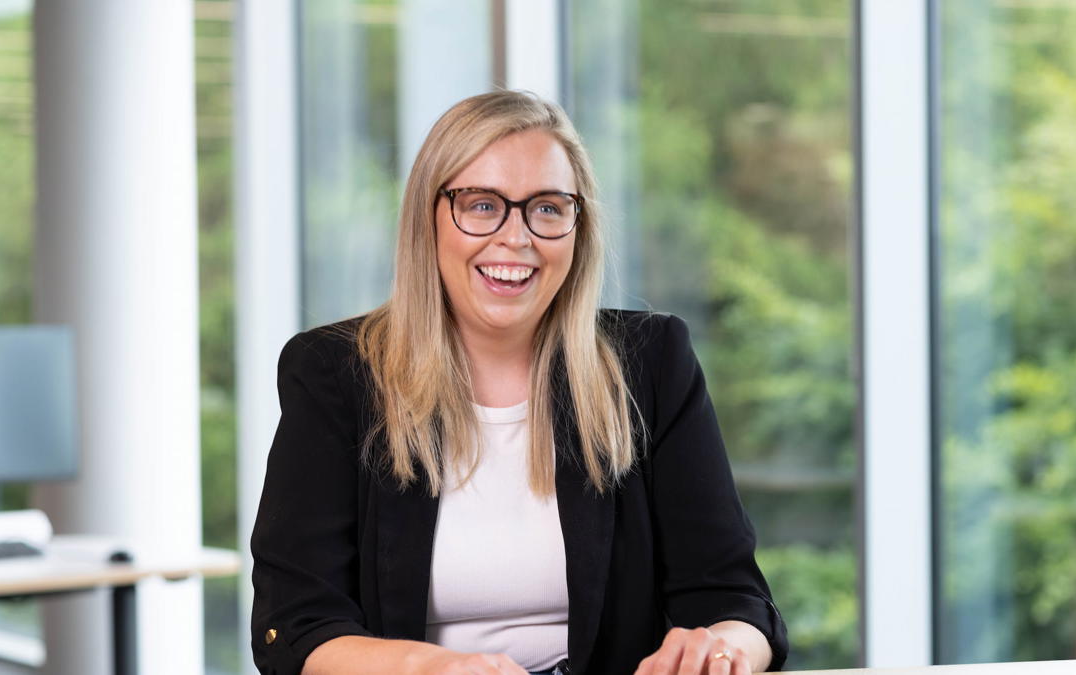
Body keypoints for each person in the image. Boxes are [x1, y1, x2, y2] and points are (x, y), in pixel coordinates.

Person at [250, 90, 788, 675]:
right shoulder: (336, 373)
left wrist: (724, 650)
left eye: (549, 207)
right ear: (427, 219)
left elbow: (734, 598)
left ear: (579, 227)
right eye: (482, 205)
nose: (517, 237)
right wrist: (431, 669)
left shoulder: (651, 363)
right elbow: (297, 625)